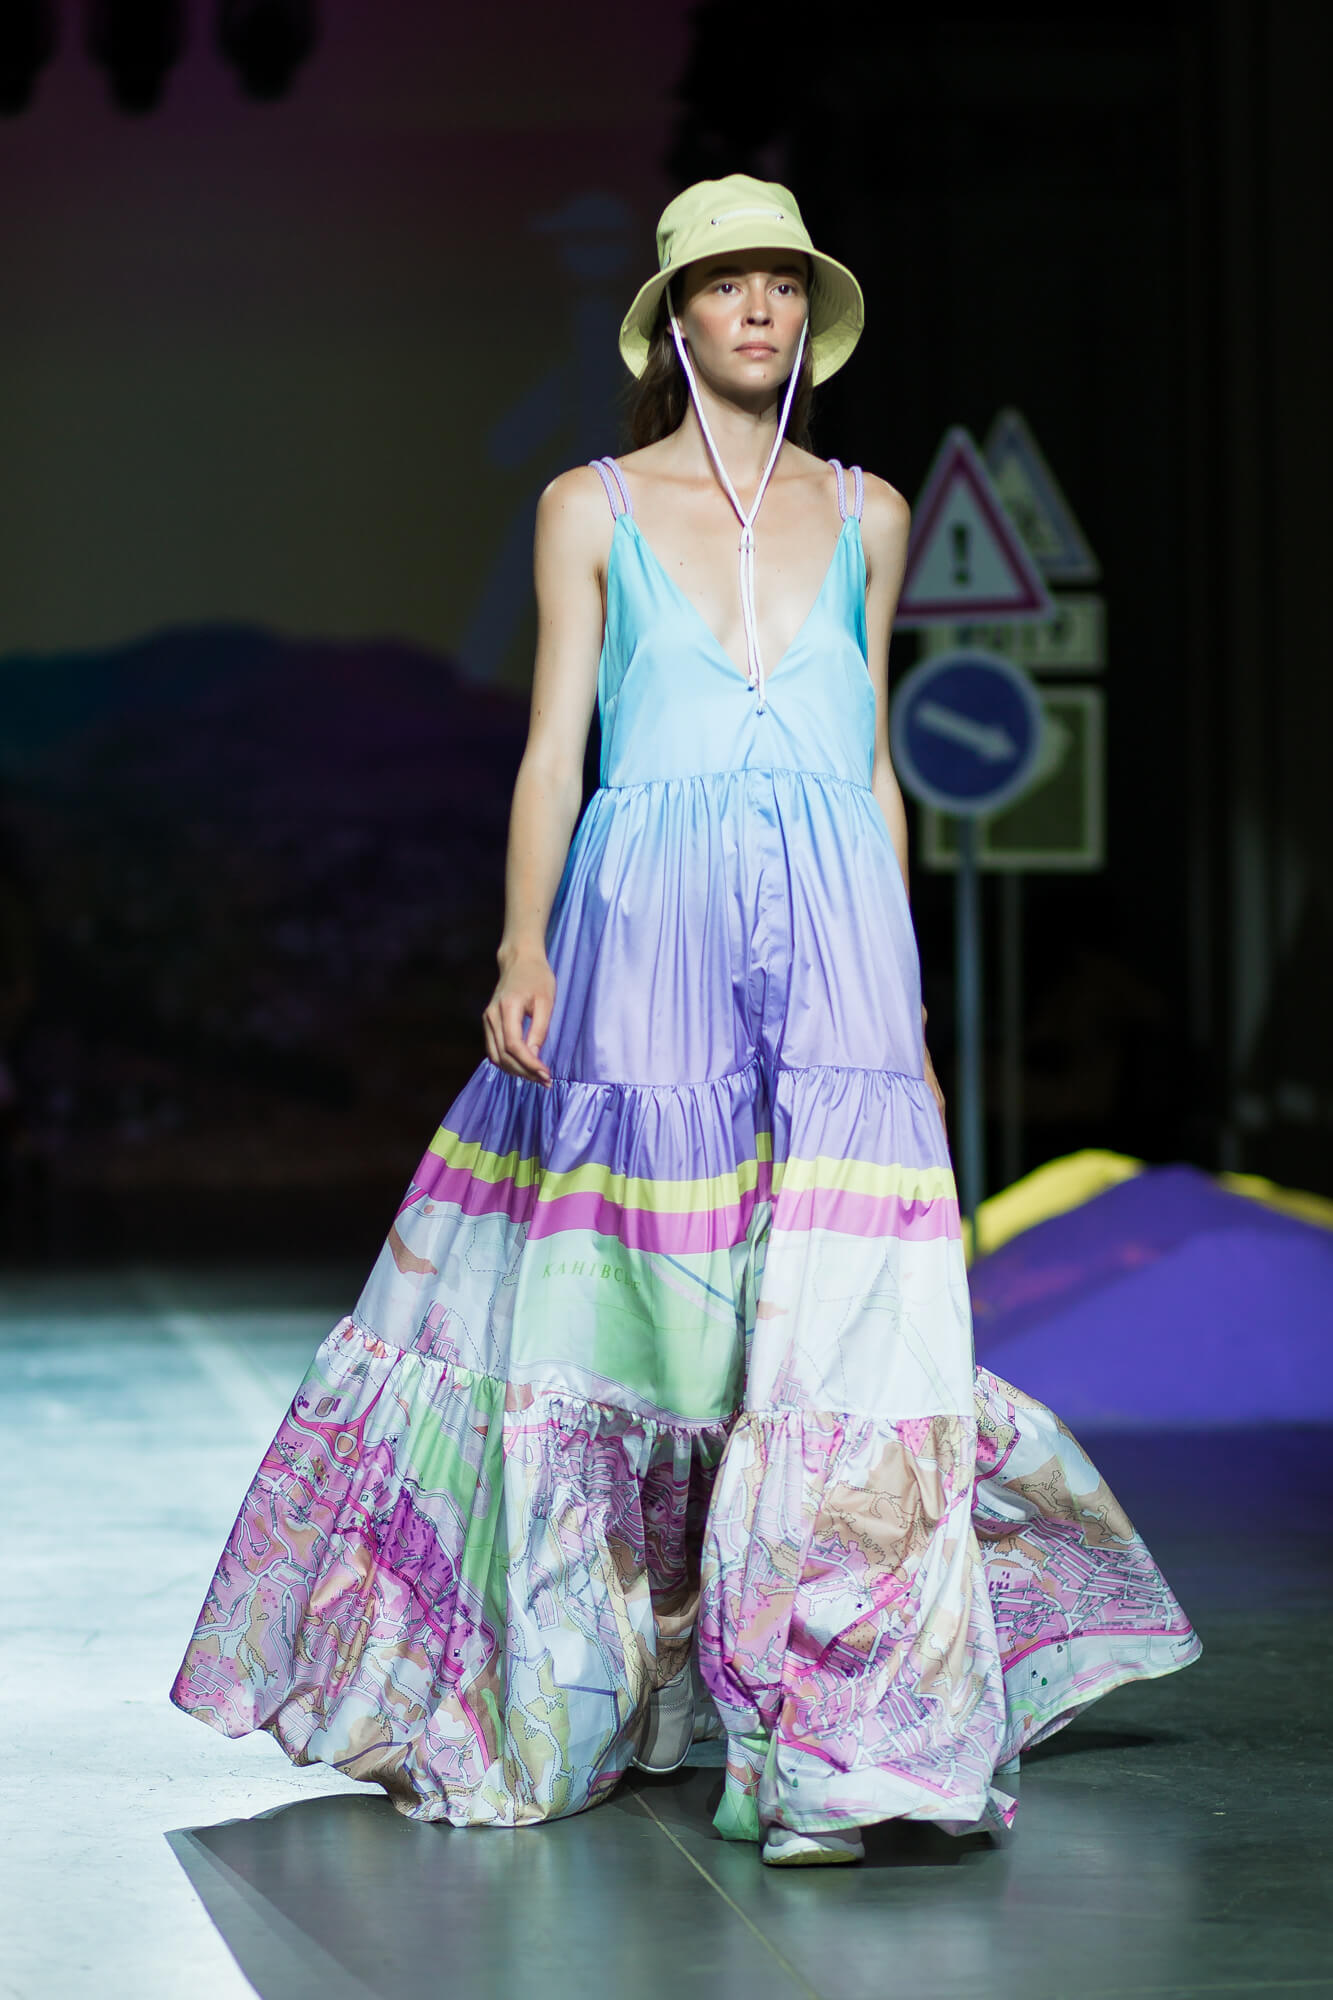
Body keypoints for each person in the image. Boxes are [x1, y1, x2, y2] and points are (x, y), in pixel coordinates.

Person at [170, 174, 1201, 1867]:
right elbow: (552, 752)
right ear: (673, 319)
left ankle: (824, 1740)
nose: (759, 308)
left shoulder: (870, 514)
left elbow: (872, 763)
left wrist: (904, 1001)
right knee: (653, 1320)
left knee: (848, 1329)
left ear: (810, 314)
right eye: (726, 284)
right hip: (646, 924)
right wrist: (522, 943)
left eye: (782, 282)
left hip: (837, 935)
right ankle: (647, 1684)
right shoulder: (588, 505)